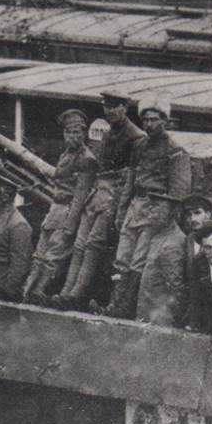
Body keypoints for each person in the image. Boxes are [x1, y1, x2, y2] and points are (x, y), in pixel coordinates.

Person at [93, 98, 191, 319]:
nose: (149, 124)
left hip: (154, 210)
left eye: (154, 119)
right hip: (135, 207)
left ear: (165, 121)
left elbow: (178, 191)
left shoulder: (175, 151)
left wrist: (159, 217)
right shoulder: (139, 146)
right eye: (145, 119)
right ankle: (114, 305)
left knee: (138, 261)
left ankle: (126, 308)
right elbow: (131, 179)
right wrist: (121, 212)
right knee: (122, 258)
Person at [23, 109, 97, 302]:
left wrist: (69, 226)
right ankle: (27, 292)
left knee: (52, 257)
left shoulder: (86, 158)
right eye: (68, 132)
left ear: (84, 133)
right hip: (55, 209)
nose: (72, 137)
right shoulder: (65, 154)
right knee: (39, 254)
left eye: (77, 133)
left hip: (67, 212)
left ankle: (38, 292)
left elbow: (80, 196)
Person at [55, 116, 124, 308]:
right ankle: (66, 292)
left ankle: (76, 292)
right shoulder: (89, 156)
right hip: (92, 200)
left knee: (92, 244)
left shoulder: (117, 152)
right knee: (79, 245)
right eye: (94, 136)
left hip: (106, 200)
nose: (98, 140)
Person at [134, 193, 191, 328]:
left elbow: (176, 289)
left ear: (171, 213)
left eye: (157, 206)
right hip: (148, 317)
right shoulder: (160, 236)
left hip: (160, 322)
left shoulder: (172, 244)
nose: (151, 211)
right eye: (151, 206)